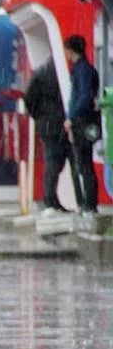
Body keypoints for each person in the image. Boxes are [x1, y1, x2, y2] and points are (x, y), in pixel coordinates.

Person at [22, 64, 72, 213]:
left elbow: (29, 99)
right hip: (62, 123)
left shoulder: (40, 73)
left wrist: (39, 116)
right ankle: (52, 200)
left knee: (52, 162)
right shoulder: (67, 70)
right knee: (66, 162)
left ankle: (50, 199)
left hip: (47, 124)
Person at [64, 35, 101, 215]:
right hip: (83, 121)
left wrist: (72, 117)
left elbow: (83, 97)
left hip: (83, 122)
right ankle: (87, 203)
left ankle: (89, 205)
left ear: (71, 51)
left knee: (84, 164)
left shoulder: (82, 70)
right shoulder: (84, 70)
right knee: (83, 164)